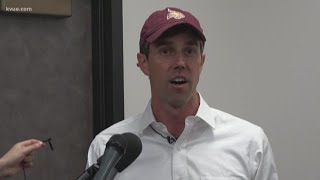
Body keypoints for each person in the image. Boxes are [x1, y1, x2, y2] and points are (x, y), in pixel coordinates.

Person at [86, 7, 279, 180]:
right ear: (144, 62)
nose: (180, 62)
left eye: (189, 51)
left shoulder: (249, 143)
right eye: (166, 51)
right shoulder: (109, 148)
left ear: (201, 62)